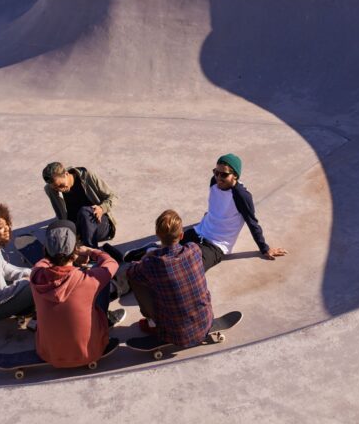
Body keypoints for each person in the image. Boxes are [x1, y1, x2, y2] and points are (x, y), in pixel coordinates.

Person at [127, 153, 287, 271]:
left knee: (188, 270)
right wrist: (208, 218)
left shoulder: (241, 195)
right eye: (215, 172)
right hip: (199, 232)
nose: (218, 177)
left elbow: (253, 223)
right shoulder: (213, 182)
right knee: (166, 253)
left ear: (235, 176)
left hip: (216, 245)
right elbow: (216, 205)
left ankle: (151, 251)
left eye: (224, 174)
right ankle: (147, 253)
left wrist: (264, 248)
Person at [29, 220, 125, 368]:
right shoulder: (88, 279)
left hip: (48, 353)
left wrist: (63, 258)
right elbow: (112, 263)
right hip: (89, 352)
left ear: (46, 250)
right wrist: (90, 252)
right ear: (74, 251)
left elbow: (42, 263)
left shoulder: (35, 276)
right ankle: (105, 318)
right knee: (102, 284)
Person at [126, 210, 213, 346]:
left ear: (157, 235)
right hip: (206, 321)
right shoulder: (194, 249)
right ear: (181, 235)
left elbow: (131, 273)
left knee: (136, 278)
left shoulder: (153, 263)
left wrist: (145, 257)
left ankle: (151, 321)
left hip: (174, 333)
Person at [42, 162, 118, 249]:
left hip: (98, 223)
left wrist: (102, 208)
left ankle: (91, 251)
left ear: (66, 174)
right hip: (77, 229)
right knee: (53, 232)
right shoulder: (50, 189)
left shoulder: (87, 176)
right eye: (56, 188)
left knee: (84, 212)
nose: (60, 190)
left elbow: (114, 197)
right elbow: (60, 215)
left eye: (61, 185)